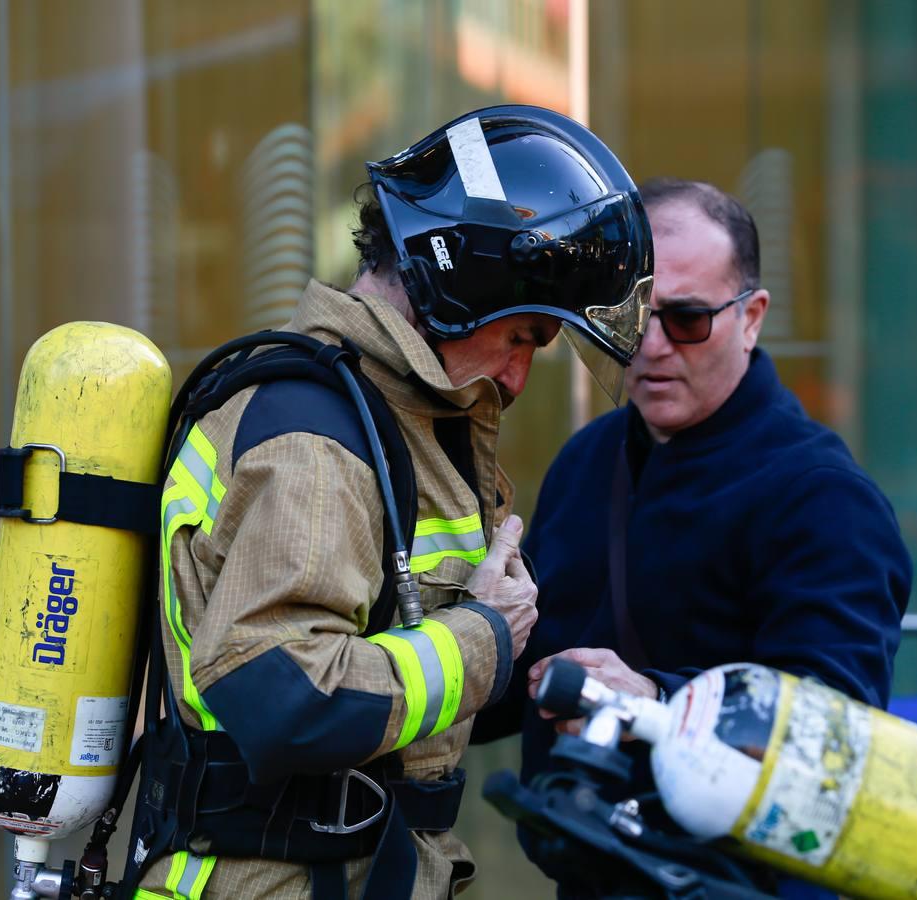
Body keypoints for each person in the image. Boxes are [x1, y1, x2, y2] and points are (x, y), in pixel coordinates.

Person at [132, 106, 653, 900]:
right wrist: (484, 635)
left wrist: (533, 668)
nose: (517, 379)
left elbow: (397, 657)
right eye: (522, 337)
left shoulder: (398, 422)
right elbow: (282, 694)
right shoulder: (316, 441)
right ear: (463, 284)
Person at [472, 178, 911, 897]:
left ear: (751, 318)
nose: (649, 346)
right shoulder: (588, 459)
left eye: (685, 318)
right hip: (588, 869)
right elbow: (523, 684)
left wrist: (649, 701)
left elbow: (832, 743)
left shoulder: (824, 498)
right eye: (627, 315)